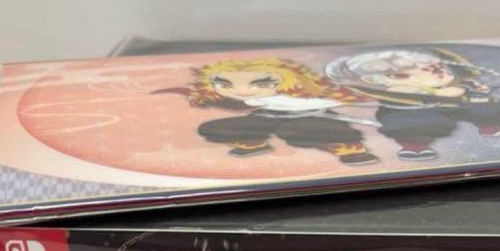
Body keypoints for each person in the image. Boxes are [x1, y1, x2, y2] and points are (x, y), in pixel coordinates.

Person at [160, 57, 378, 165]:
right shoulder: (251, 100)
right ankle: (253, 142)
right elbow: (237, 104)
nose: (242, 91)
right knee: (215, 127)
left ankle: (349, 150)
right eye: (224, 84)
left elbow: (345, 98)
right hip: (265, 117)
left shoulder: (306, 93)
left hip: (312, 116)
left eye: (262, 83)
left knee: (306, 130)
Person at [325, 47, 500, 160]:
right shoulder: (399, 90)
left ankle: (491, 126)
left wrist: (474, 90)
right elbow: (409, 97)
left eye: (439, 67)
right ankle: (414, 146)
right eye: (419, 70)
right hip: (413, 111)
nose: (438, 72)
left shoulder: (454, 84)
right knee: (415, 124)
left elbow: (463, 91)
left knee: (489, 107)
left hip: (453, 104)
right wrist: (444, 93)